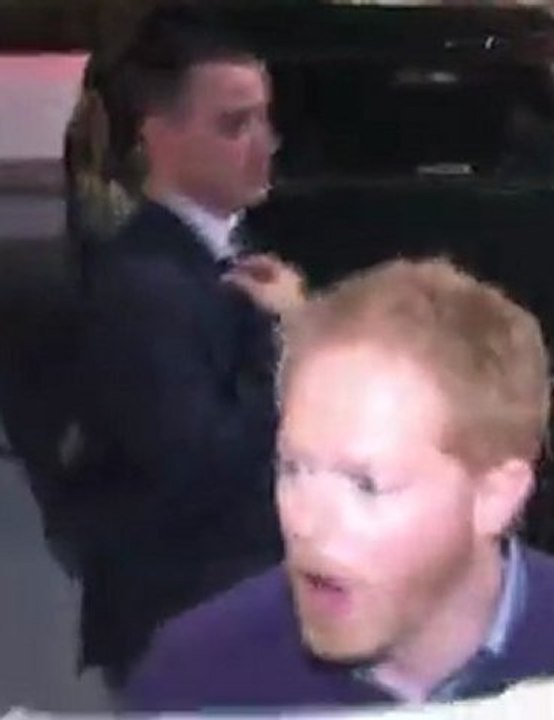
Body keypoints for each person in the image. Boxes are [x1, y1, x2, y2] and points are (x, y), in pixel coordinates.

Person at [122, 258, 554, 712]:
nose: (306, 521)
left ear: (495, 496)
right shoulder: (191, 684)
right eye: (294, 469)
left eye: (365, 484)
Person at [68, 9, 306, 688]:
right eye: (234, 125)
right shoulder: (143, 287)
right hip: (189, 625)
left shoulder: (225, 256)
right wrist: (289, 348)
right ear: (159, 135)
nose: (263, 144)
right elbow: (201, 467)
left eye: (265, 120)